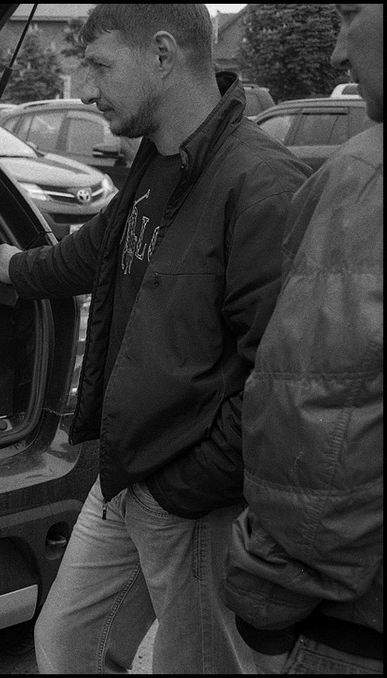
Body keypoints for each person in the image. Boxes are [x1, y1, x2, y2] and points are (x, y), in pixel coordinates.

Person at [0, 4, 310, 674]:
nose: (86, 89)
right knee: (66, 639)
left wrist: (187, 487)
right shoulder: (157, 165)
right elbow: (95, 251)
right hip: (127, 471)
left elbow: (277, 382)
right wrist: (17, 267)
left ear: (162, 54)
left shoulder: (262, 184)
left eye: (100, 64)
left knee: (199, 664)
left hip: (190, 494)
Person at [222, 4, 383, 674]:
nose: (338, 54)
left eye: (351, 15)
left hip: (350, 621)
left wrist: (265, 594)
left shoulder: (363, 180)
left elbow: (313, 422)